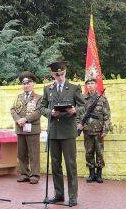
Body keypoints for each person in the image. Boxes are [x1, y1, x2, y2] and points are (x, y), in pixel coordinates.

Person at [37, 61, 85, 207]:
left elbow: (83, 105)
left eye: (62, 74)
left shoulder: (73, 88)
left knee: (71, 165)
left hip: (68, 132)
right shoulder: (48, 89)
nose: (60, 77)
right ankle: (59, 194)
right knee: (55, 165)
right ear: (53, 74)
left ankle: (72, 196)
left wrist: (75, 111)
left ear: (65, 72)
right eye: (57, 75)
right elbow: (41, 107)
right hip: (54, 132)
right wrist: (50, 112)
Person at [10, 71, 42, 184]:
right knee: (21, 153)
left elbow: (39, 112)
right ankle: (24, 173)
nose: (26, 85)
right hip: (20, 128)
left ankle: (34, 175)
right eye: (24, 83)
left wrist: (26, 119)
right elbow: (13, 110)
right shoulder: (19, 97)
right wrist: (18, 119)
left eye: (28, 83)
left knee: (34, 153)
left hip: (32, 129)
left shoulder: (39, 97)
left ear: (33, 84)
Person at [80, 78, 111, 183]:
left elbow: (107, 116)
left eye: (92, 83)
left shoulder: (102, 99)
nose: (90, 85)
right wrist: (79, 125)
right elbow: (79, 115)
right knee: (88, 153)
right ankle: (91, 174)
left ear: (96, 85)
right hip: (87, 131)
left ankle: (99, 174)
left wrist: (105, 130)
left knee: (99, 153)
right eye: (88, 84)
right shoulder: (82, 99)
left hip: (99, 131)